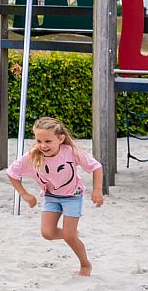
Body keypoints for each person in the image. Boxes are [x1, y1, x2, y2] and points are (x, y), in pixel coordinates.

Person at [6, 116, 104, 276]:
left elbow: (96, 167)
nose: (43, 145)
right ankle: (71, 234)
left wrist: (97, 190)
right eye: (39, 141)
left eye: (48, 141)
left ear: (61, 139)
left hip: (73, 196)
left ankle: (85, 264)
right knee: (48, 233)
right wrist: (24, 194)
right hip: (51, 197)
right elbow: (12, 172)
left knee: (68, 236)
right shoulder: (32, 155)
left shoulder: (71, 152)